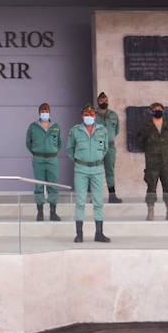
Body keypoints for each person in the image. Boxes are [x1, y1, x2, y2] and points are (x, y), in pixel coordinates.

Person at [66, 103, 111, 243]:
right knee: (80, 201)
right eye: (86, 114)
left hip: (98, 169)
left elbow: (105, 148)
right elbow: (69, 149)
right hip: (81, 169)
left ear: (95, 115)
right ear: (82, 115)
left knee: (98, 202)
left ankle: (99, 233)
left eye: (91, 114)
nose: (89, 116)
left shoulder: (102, 130)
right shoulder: (75, 130)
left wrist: (96, 159)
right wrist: (80, 160)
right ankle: (79, 234)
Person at [137, 101, 168, 221]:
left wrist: (166, 150)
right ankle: (150, 212)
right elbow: (139, 141)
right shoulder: (146, 127)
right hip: (152, 162)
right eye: (155, 109)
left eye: (160, 109)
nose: (158, 111)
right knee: (151, 187)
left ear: (163, 110)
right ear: (151, 111)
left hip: (166, 162)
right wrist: (150, 150)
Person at [25, 102, 62, 222]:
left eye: (46, 111)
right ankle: (40, 212)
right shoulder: (33, 127)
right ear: (39, 113)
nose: (45, 113)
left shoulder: (55, 127)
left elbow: (59, 143)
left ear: (49, 112)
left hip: (52, 159)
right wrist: (37, 152)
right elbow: (28, 143)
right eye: (43, 111)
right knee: (39, 186)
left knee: (53, 186)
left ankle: (53, 212)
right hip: (38, 159)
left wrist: (51, 151)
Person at [94, 92, 123, 204]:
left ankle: (112, 196)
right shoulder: (93, 114)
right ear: (98, 102)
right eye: (101, 100)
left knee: (110, 171)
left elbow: (116, 130)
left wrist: (108, 139)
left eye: (106, 100)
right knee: (96, 171)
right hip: (97, 147)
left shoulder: (113, 115)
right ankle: (95, 197)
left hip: (110, 147)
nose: (104, 102)